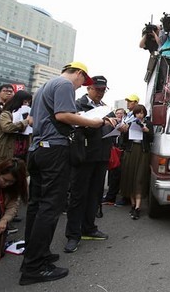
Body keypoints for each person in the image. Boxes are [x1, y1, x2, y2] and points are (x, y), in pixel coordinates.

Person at [20, 61, 104, 286]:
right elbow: (63, 116)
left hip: (37, 149)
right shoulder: (64, 85)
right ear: (77, 73)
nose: (78, 87)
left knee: (36, 205)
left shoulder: (43, 88)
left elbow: (32, 120)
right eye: (81, 82)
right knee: (51, 206)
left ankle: (34, 254)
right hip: (55, 149)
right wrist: (92, 122)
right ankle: (34, 266)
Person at [64, 76, 116, 254]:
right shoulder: (77, 105)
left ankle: (89, 228)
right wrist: (100, 122)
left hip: (101, 155)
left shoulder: (106, 108)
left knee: (95, 194)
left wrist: (117, 125)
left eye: (103, 89)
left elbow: (111, 126)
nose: (100, 92)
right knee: (78, 196)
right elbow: (73, 125)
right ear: (88, 88)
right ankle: (73, 234)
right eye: (98, 89)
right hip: (83, 155)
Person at [119, 104, 153, 220]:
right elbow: (122, 140)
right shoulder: (129, 123)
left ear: (144, 113)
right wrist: (125, 130)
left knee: (139, 178)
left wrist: (147, 131)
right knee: (130, 177)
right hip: (130, 151)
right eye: (137, 113)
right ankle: (133, 205)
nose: (139, 115)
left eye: (141, 112)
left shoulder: (148, 124)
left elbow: (152, 138)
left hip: (143, 152)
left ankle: (138, 207)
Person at [0, 90, 33, 167]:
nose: (27, 105)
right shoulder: (6, 114)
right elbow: (7, 127)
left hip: (22, 151)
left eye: (28, 103)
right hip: (4, 152)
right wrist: (25, 121)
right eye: (25, 102)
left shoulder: (29, 116)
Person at [102, 107, 126, 205]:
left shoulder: (126, 124)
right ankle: (110, 195)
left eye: (121, 113)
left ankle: (111, 197)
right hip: (113, 150)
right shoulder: (112, 123)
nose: (118, 115)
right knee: (112, 174)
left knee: (117, 174)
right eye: (117, 113)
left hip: (122, 151)